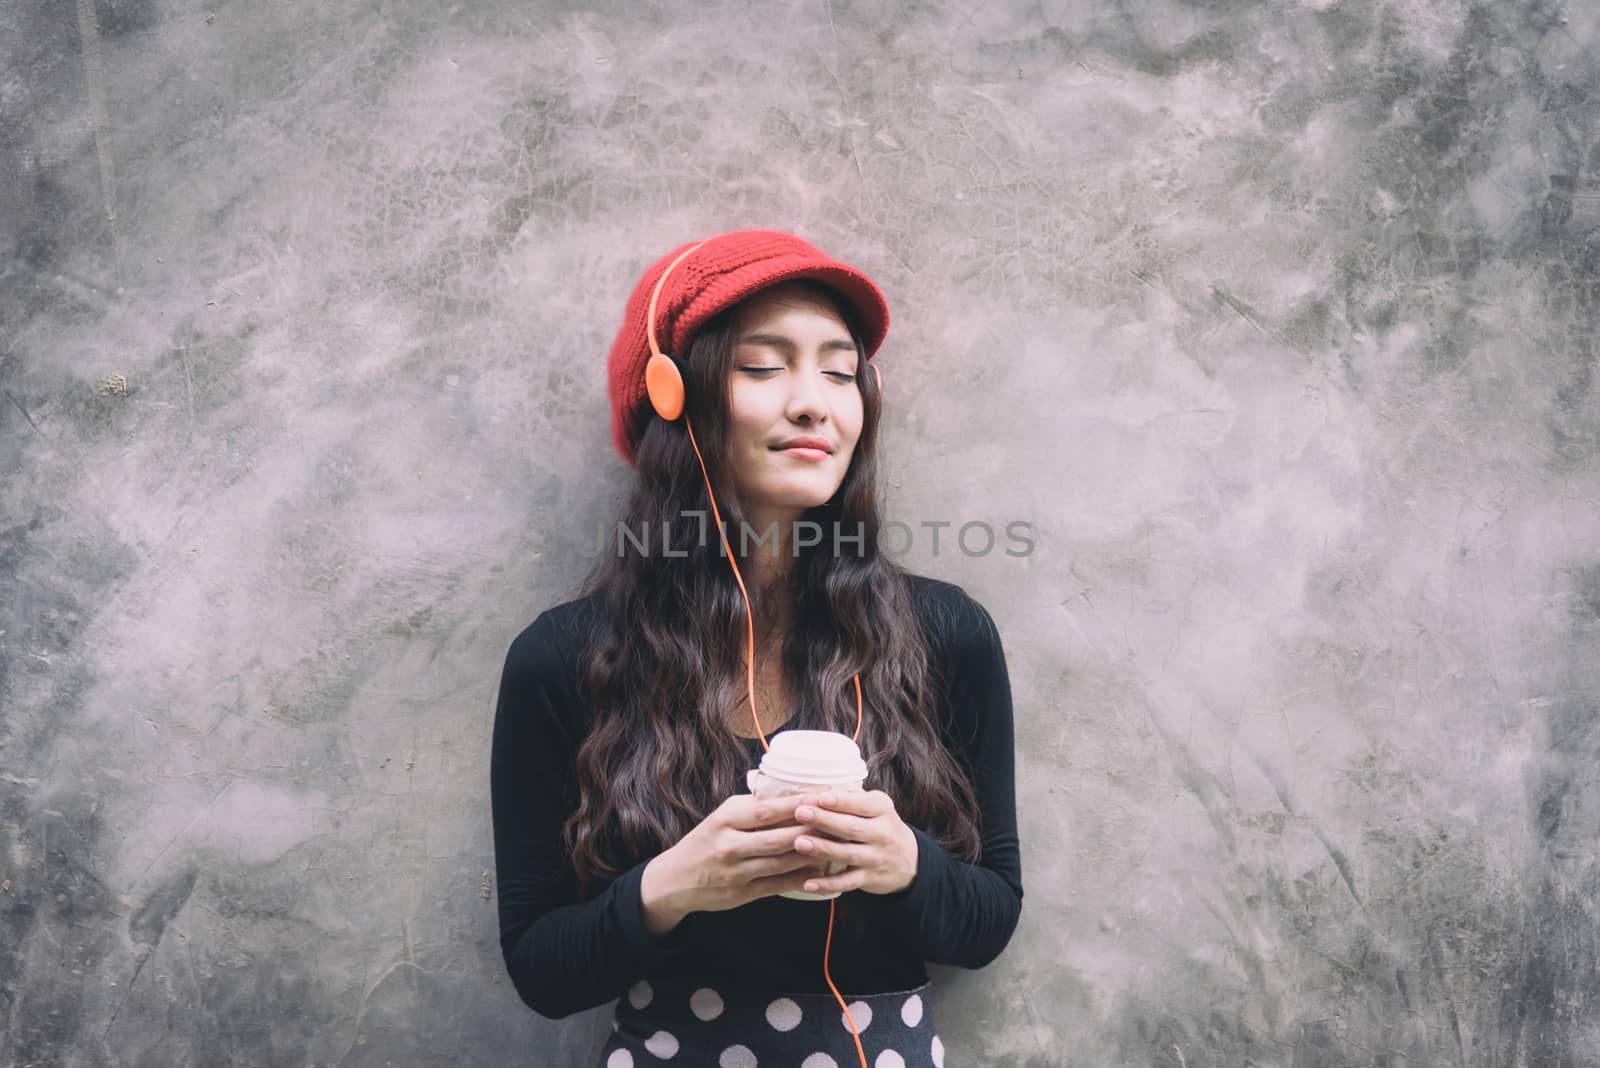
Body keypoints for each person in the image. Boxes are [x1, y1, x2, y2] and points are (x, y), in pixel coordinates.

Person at [490, 229, 1023, 1068]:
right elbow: (540, 971)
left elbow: (989, 921)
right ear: (675, 397)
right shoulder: (564, 658)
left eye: (841, 373)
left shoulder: (947, 635)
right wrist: (671, 888)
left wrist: (902, 861)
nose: (814, 403)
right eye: (765, 367)